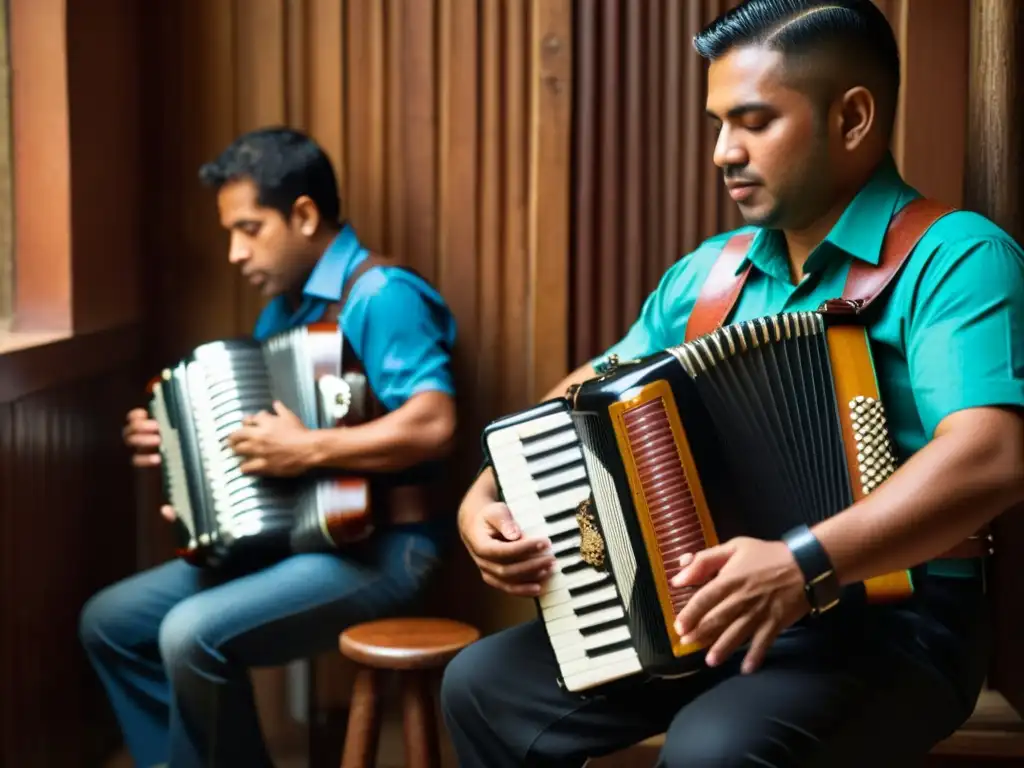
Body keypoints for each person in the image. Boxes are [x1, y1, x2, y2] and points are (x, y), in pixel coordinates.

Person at [441, 1, 1024, 765]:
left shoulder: (958, 257)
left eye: (753, 121)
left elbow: (993, 456)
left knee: (713, 750)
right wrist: (484, 494)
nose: (722, 151)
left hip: (898, 626)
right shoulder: (710, 274)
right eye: (718, 123)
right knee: (481, 684)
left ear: (852, 118)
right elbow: (586, 388)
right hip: (710, 606)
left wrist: (801, 564)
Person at [79, 127, 458, 768]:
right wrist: (185, 466)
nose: (234, 252)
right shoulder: (281, 314)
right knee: (110, 622)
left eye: (248, 229)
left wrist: (310, 449)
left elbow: (434, 422)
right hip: (294, 540)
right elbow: (264, 449)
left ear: (304, 215)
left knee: (189, 634)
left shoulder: (382, 295)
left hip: (387, 549)